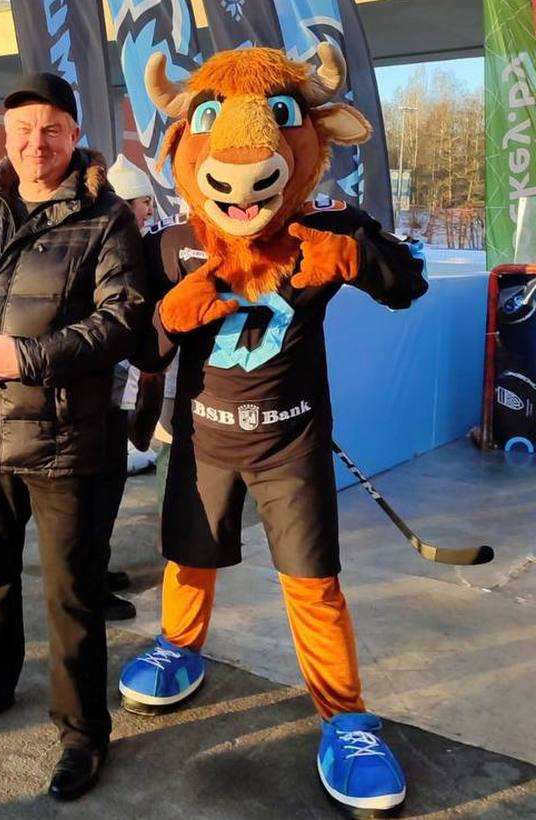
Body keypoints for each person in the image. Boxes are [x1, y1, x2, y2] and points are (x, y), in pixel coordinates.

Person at [118, 46, 427, 816]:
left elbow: (407, 284)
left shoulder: (327, 224)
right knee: (188, 559)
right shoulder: (173, 245)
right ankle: (180, 646)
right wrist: (170, 316)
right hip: (204, 439)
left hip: (292, 439)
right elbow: (142, 352)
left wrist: (355, 257)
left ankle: (345, 718)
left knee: (313, 582)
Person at [0, 73, 147, 801]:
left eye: (50, 130)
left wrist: (30, 357)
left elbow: (121, 321)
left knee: (71, 591)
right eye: (21, 130)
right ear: (6, 137)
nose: (34, 144)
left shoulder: (106, 219)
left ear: (74, 134)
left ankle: (82, 733)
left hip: (61, 441)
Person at [94, 153, 157, 621]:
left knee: (111, 481)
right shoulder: (106, 247)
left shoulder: (135, 245)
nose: (150, 210)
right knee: (96, 488)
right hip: (98, 387)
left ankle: (96, 568)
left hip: (119, 384)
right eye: (143, 203)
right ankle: (88, 584)